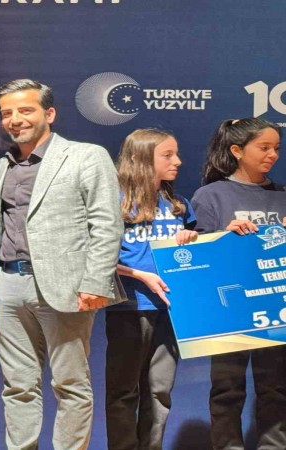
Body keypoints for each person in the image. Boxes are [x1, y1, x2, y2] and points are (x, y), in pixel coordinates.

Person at [0, 79, 122, 450]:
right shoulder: (4, 164)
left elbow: (107, 222)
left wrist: (96, 281)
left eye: (25, 110)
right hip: (7, 285)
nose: (15, 119)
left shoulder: (86, 155)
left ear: (49, 113)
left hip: (66, 287)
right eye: (7, 113)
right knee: (17, 386)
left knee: (70, 384)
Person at [191, 118, 286, 450]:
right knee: (227, 389)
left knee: (276, 389)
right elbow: (195, 258)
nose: (273, 155)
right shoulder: (210, 196)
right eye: (264, 147)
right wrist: (224, 236)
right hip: (228, 308)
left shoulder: (282, 195)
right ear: (237, 150)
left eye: (276, 148)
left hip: (275, 308)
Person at [104, 129, 198, 450]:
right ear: (138, 157)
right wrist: (139, 275)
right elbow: (94, 253)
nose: (178, 161)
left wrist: (191, 239)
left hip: (170, 309)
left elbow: (195, 253)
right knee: (124, 390)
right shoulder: (114, 200)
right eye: (167, 155)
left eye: (176, 153)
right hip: (130, 307)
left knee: (159, 390)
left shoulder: (178, 204)